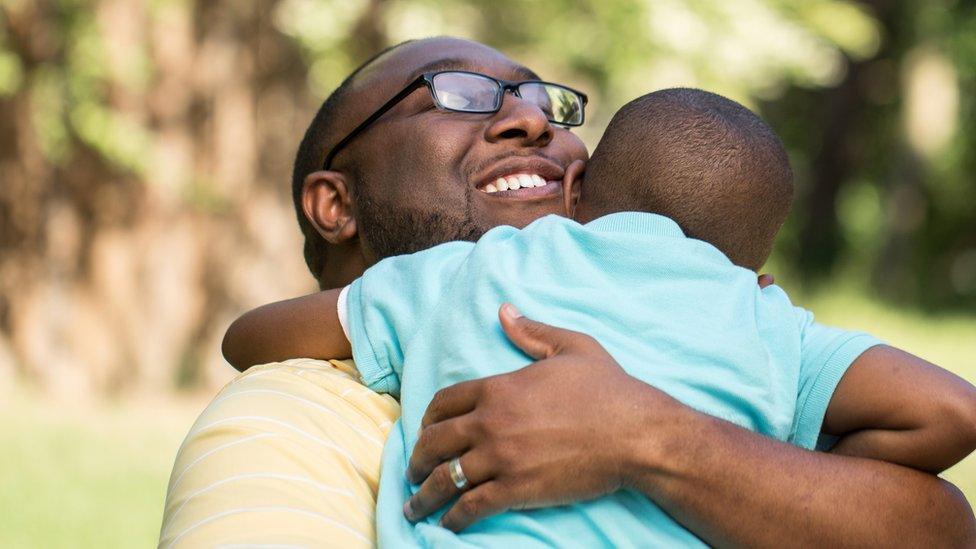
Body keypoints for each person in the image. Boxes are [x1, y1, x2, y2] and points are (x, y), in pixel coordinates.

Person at [159, 37, 976, 547]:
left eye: (543, 102)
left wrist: (653, 439)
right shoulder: (285, 420)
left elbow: (940, 529)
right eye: (460, 92)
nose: (530, 120)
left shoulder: (718, 353)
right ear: (335, 204)